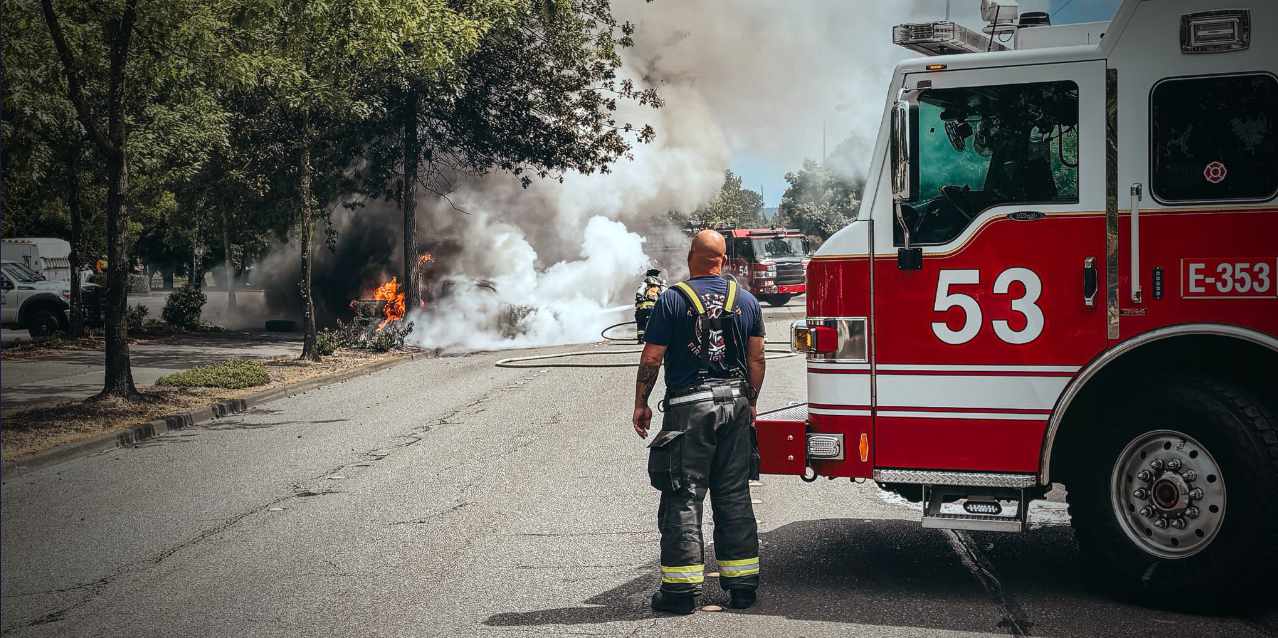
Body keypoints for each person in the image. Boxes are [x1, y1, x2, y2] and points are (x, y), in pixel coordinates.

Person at [632, 229, 767, 615]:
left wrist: (641, 403)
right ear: (723, 260)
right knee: (734, 494)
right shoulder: (746, 300)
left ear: (692, 257)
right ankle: (742, 587)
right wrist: (751, 403)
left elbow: (652, 358)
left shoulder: (673, 299)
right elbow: (757, 360)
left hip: (689, 409)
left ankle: (681, 593)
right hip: (736, 405)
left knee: (683, 496)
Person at [633, 268, 666, 343]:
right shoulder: (661, 284)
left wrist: (639, 298)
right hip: (654, 308)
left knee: (641, 323)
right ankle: (652, 339)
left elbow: (639, 292)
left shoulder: (645, 282)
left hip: (642, 307)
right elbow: (664, 294)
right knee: (654, 324)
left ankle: (641, 338)